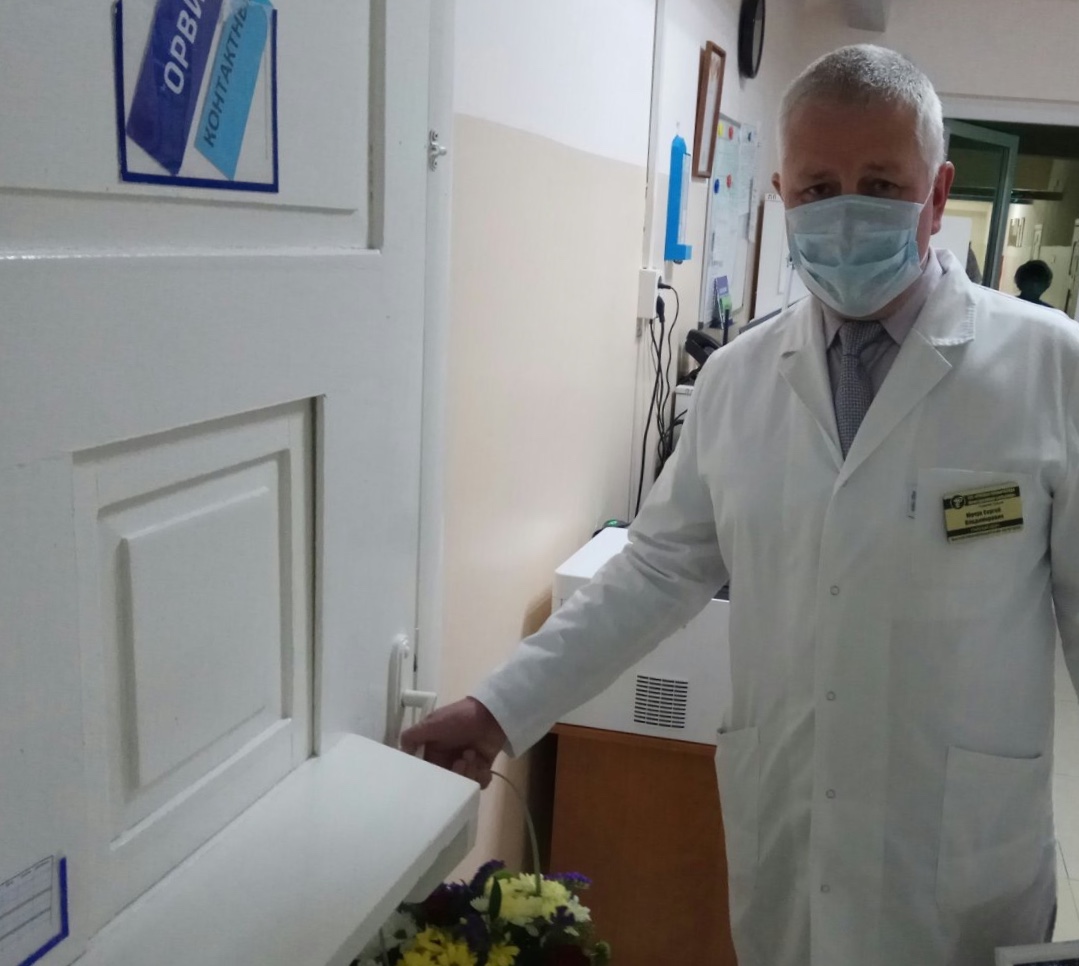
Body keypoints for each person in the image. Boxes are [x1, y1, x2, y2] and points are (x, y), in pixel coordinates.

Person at [403, 44, 1079, 966]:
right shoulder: (736, 379)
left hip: (964, 855)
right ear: (780, 193)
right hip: (790, 831)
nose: (846, 210)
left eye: (880, 183)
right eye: (818, 187)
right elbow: (654, 571)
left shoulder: (1049, 367)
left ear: (936, 192)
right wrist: (497, 707)